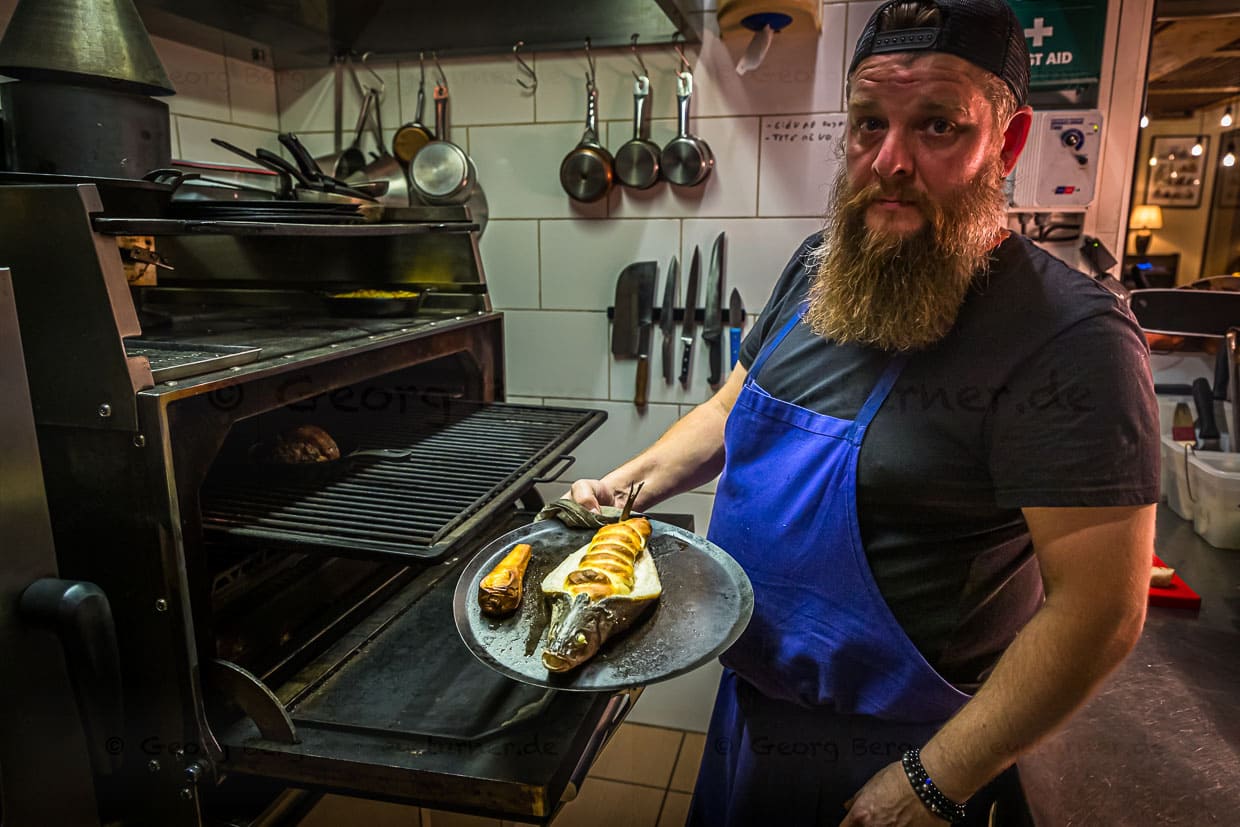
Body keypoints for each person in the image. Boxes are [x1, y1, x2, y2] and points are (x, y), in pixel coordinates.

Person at [568, 0, 1159, 824]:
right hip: (752, 706)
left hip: (905, 753)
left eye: (938, 127)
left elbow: (1101, 612)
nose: (890, 160)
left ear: (1010, 142)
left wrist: (932, 782)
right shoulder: (822, 265)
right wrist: (621, 490)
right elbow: (731, 408)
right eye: (867, 124)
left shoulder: (1071, 338)